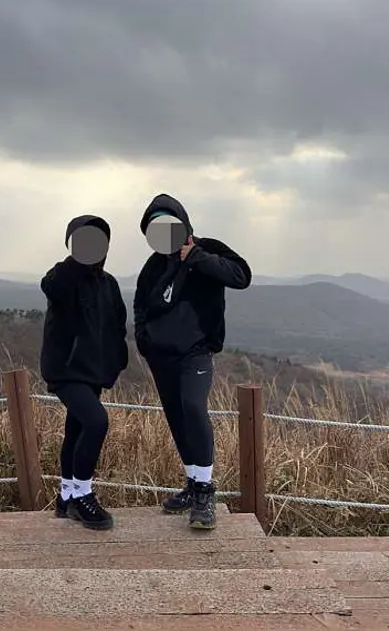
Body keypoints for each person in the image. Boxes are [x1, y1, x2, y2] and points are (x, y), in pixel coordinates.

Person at [134, 194, 251, 529]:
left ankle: (204, 491)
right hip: (161, 356)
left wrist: (197, 257)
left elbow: (241, 276)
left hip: (196, 352)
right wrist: (144, 340)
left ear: (183, 224)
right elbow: (141, 304)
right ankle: (192, 483)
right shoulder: (154, 264)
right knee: (177, 417)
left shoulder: (208, 248)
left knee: (193, 407)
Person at [40, 214, 128, 530]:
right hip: (65, 371)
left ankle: (66, 496)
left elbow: (117, 326)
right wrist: (76, 260)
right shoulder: (63, 276)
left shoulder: (109, 284)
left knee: (76, 430)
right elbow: (51, 286)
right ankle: (82, 495)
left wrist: (116, 361)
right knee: (96, 421)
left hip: (93, 372)